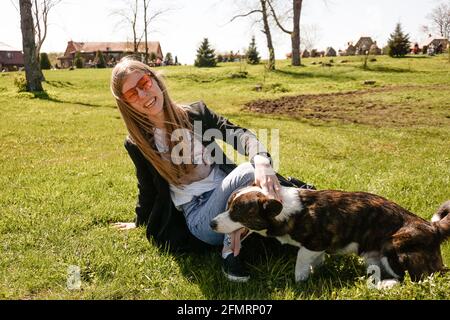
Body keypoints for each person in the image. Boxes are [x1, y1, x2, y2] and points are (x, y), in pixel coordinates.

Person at [109, 56, 308, 282]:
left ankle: (296, 219)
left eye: (144, 83)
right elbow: (147, 188)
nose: (143, 94)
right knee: (246, 173)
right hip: (201, 217)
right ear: (126, 103)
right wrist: (139, 220)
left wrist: (261, 159)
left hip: (235, 197)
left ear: (154, 79)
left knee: (275, 195)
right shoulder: (137, 143)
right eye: (132, 94)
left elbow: (237, 133)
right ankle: (228, 253)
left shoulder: (196, 113)